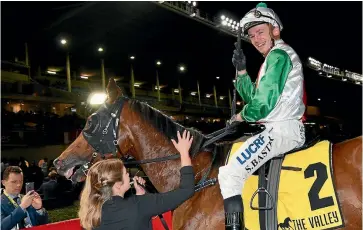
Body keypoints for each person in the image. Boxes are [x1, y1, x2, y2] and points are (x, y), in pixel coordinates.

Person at [218, 3, 306, 230]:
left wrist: (239, 117)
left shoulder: (278, 55)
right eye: (252, 35)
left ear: (274, 30)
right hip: (279, 129)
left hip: (282, 131)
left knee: (229, 175)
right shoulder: (273, 58)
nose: (256, 39)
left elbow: (262, 105)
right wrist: (241, 71)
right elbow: (254, 96)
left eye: (260, 32)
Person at [78, 130, 195, 230]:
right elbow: (186, 190)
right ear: (118, 184)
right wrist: (184, 152)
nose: (129, 176)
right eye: (125, 173)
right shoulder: (140, 205)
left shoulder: (93, 214)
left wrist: (140, 195)